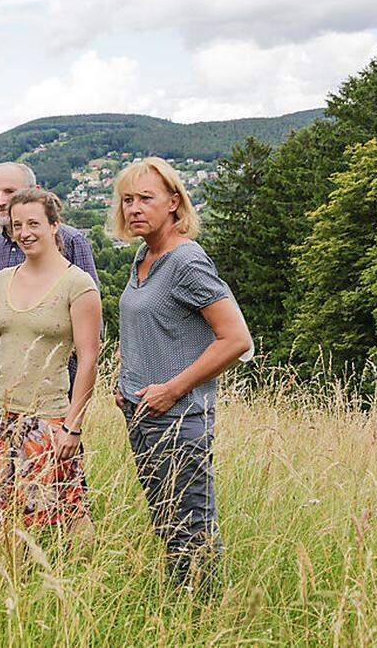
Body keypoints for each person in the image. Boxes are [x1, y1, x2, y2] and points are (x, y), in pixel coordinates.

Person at [111, 157, 251, 588]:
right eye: (127, 200)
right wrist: (126, 384)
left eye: (145, 199)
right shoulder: (144, 254)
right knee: (167, 522)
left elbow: (236, 339)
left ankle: (207, 616)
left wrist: (172, 390)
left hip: (179, 417)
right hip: (141, 413)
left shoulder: (186, 261)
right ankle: (183, 607)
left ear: (174, 202)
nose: (134, 208)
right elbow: (153, 327)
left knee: (193, 526)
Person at [0, 188, 101, 532]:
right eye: (17, 225)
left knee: (64, 511)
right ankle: (11, 578)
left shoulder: (78, 285)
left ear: (54, 226)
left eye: (33, 223)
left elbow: (89, 358)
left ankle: (83, 578)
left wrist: (72, 426)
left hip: (47, 416)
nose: (24, 232)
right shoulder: (3, 280)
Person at [0, 162, 99, 422]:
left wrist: (73, 416)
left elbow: (89, 338)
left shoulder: (73, 245)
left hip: (53, 399)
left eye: (10, 192)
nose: (1, 200)